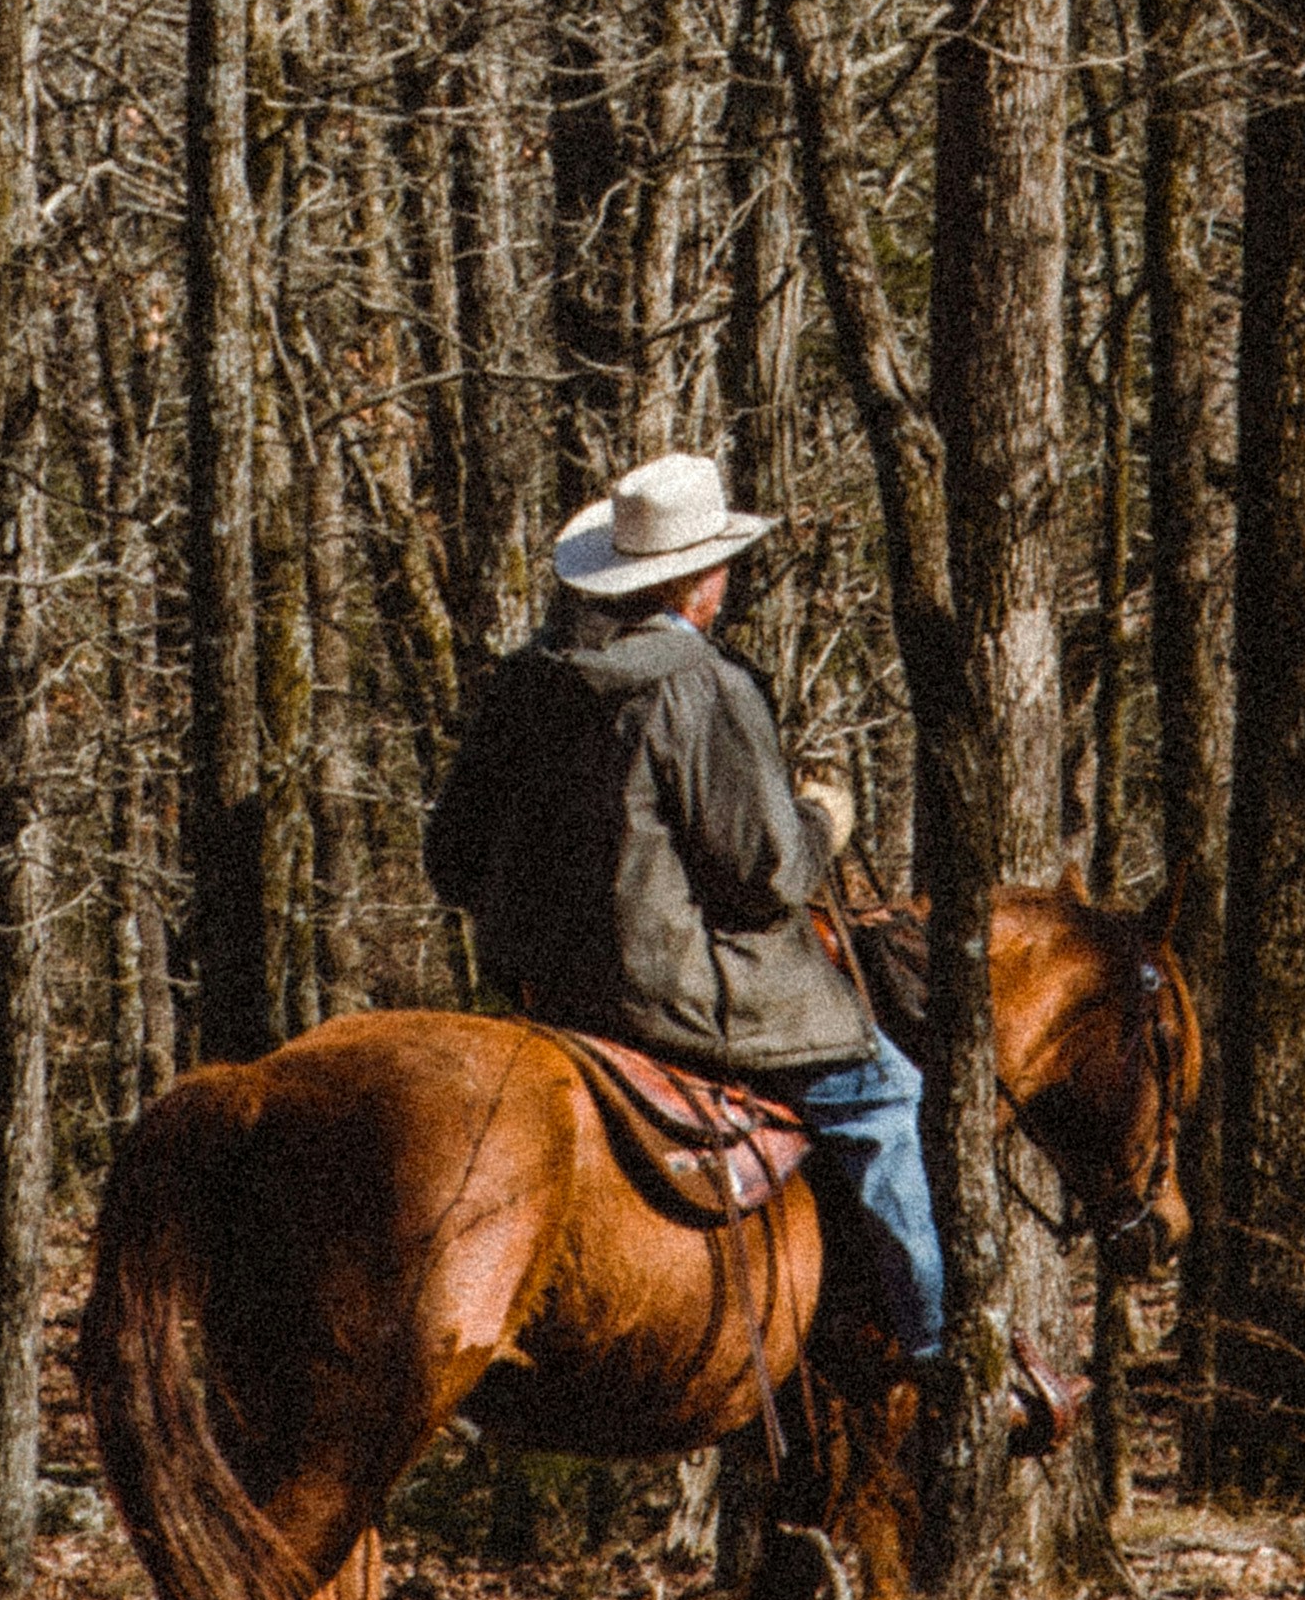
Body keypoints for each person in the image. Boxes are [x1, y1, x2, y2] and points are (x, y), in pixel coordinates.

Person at [425, 446, 1075, 1449]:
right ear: (696, 579)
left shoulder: (522, 682)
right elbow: (766, 876)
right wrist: (823, 818)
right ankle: (950, 1351)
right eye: (719, 565)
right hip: (676, 998)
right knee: (885, 1098)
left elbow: (450, 858)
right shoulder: (699, 681)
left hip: (535, 993)